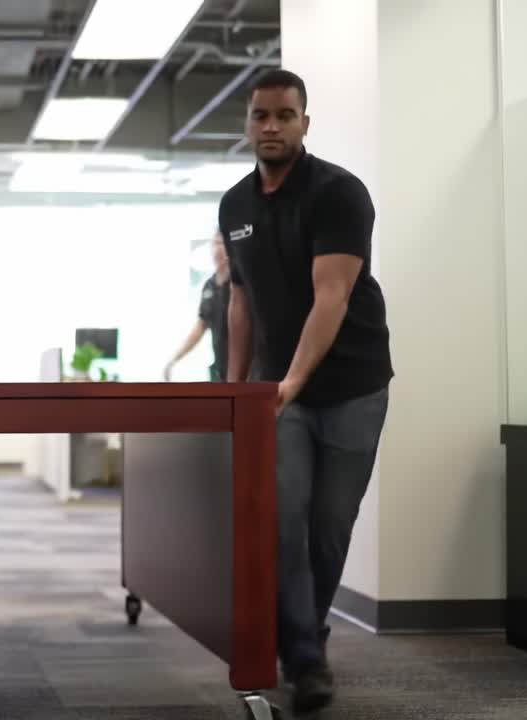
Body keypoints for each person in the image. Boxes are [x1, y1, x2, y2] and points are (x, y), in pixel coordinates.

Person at [219, 69, 393, 715]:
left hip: (352, 387)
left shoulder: (339, 194)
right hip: (278, 396)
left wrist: (292, 379)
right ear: (248, 123)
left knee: (328, 529)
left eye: (284, 115)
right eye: (260, 115)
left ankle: (304, 638)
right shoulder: (234, 206)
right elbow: (240, 303)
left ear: (304, 123)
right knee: (284, 523)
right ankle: (305, 659)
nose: (271, 126)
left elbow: (333, 296)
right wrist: (234, 390)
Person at [163, 232, 231, 382]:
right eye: (214, 244)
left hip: (245, 367)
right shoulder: (210, 285)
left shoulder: (238, 285)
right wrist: (174, 359)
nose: (215, 249)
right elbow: (201, 326)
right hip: (221, 368)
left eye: (220, 244)